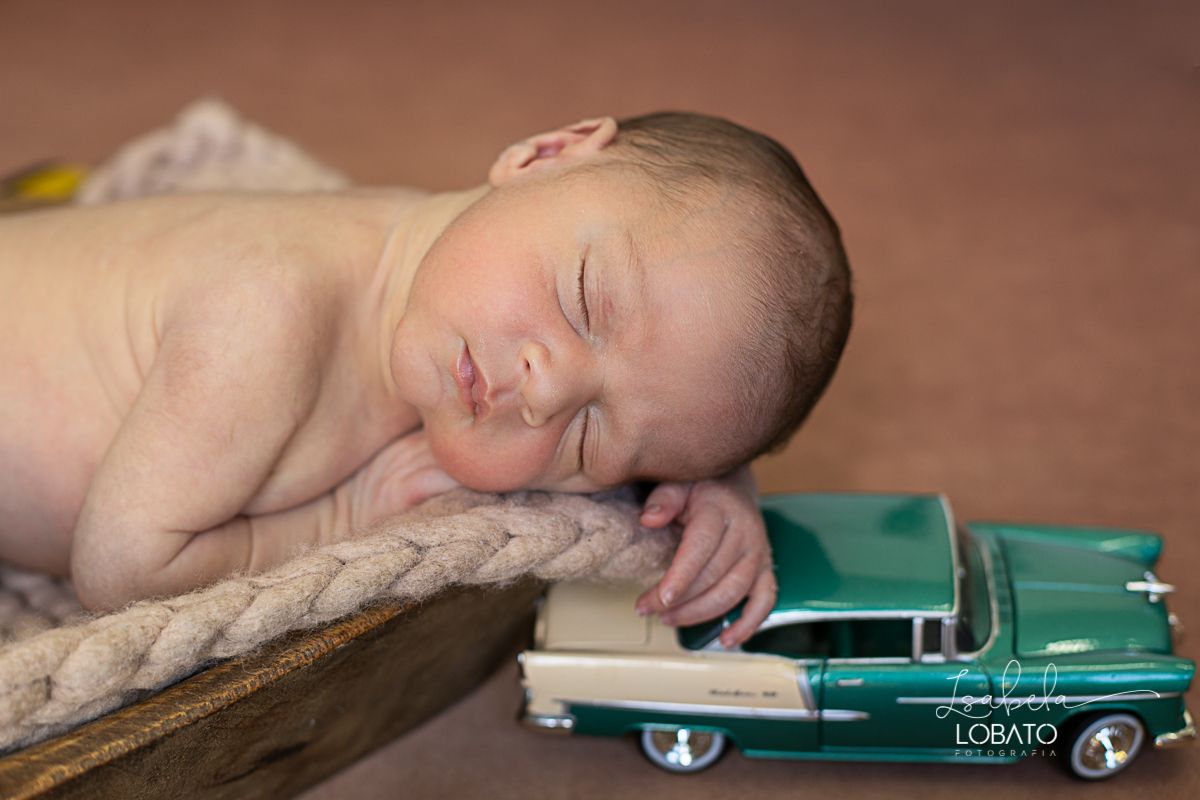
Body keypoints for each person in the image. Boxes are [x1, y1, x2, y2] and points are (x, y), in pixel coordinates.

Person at [0, 112, 851, 647]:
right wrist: (350, 512)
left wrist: (714, 482)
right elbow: (118, 567)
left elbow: (677, 380)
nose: (546, 391)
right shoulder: (266, 312)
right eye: (582, 299)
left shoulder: (458, 277)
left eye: (592, 436)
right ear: (543, 153)